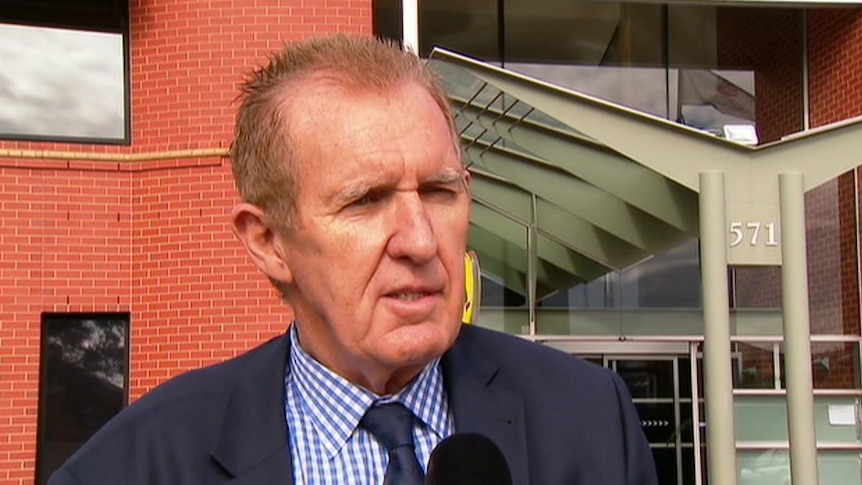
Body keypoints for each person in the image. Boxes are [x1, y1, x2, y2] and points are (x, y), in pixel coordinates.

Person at [48, 35, 657, 485]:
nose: (420, 241)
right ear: (268, 242)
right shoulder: (137, 463)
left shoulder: (591, 420)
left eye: (441, 192)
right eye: (366, 201)